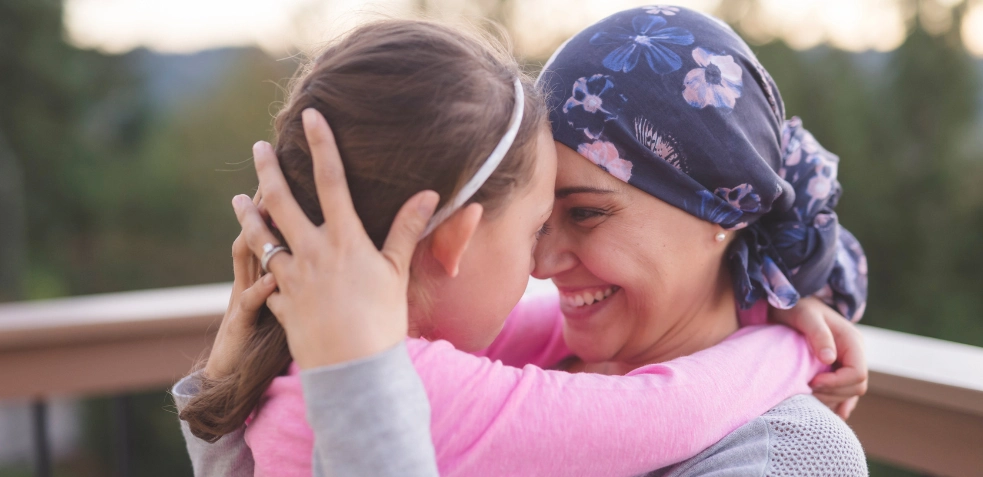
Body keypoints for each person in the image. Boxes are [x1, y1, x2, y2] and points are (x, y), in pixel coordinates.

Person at [173, 14, 868, 477]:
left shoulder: (787, 456)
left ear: (720, 206)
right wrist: (781, 339)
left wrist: (772, 312)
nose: (540, 262)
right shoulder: (510, 370)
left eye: (586, 213)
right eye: (536, 223)